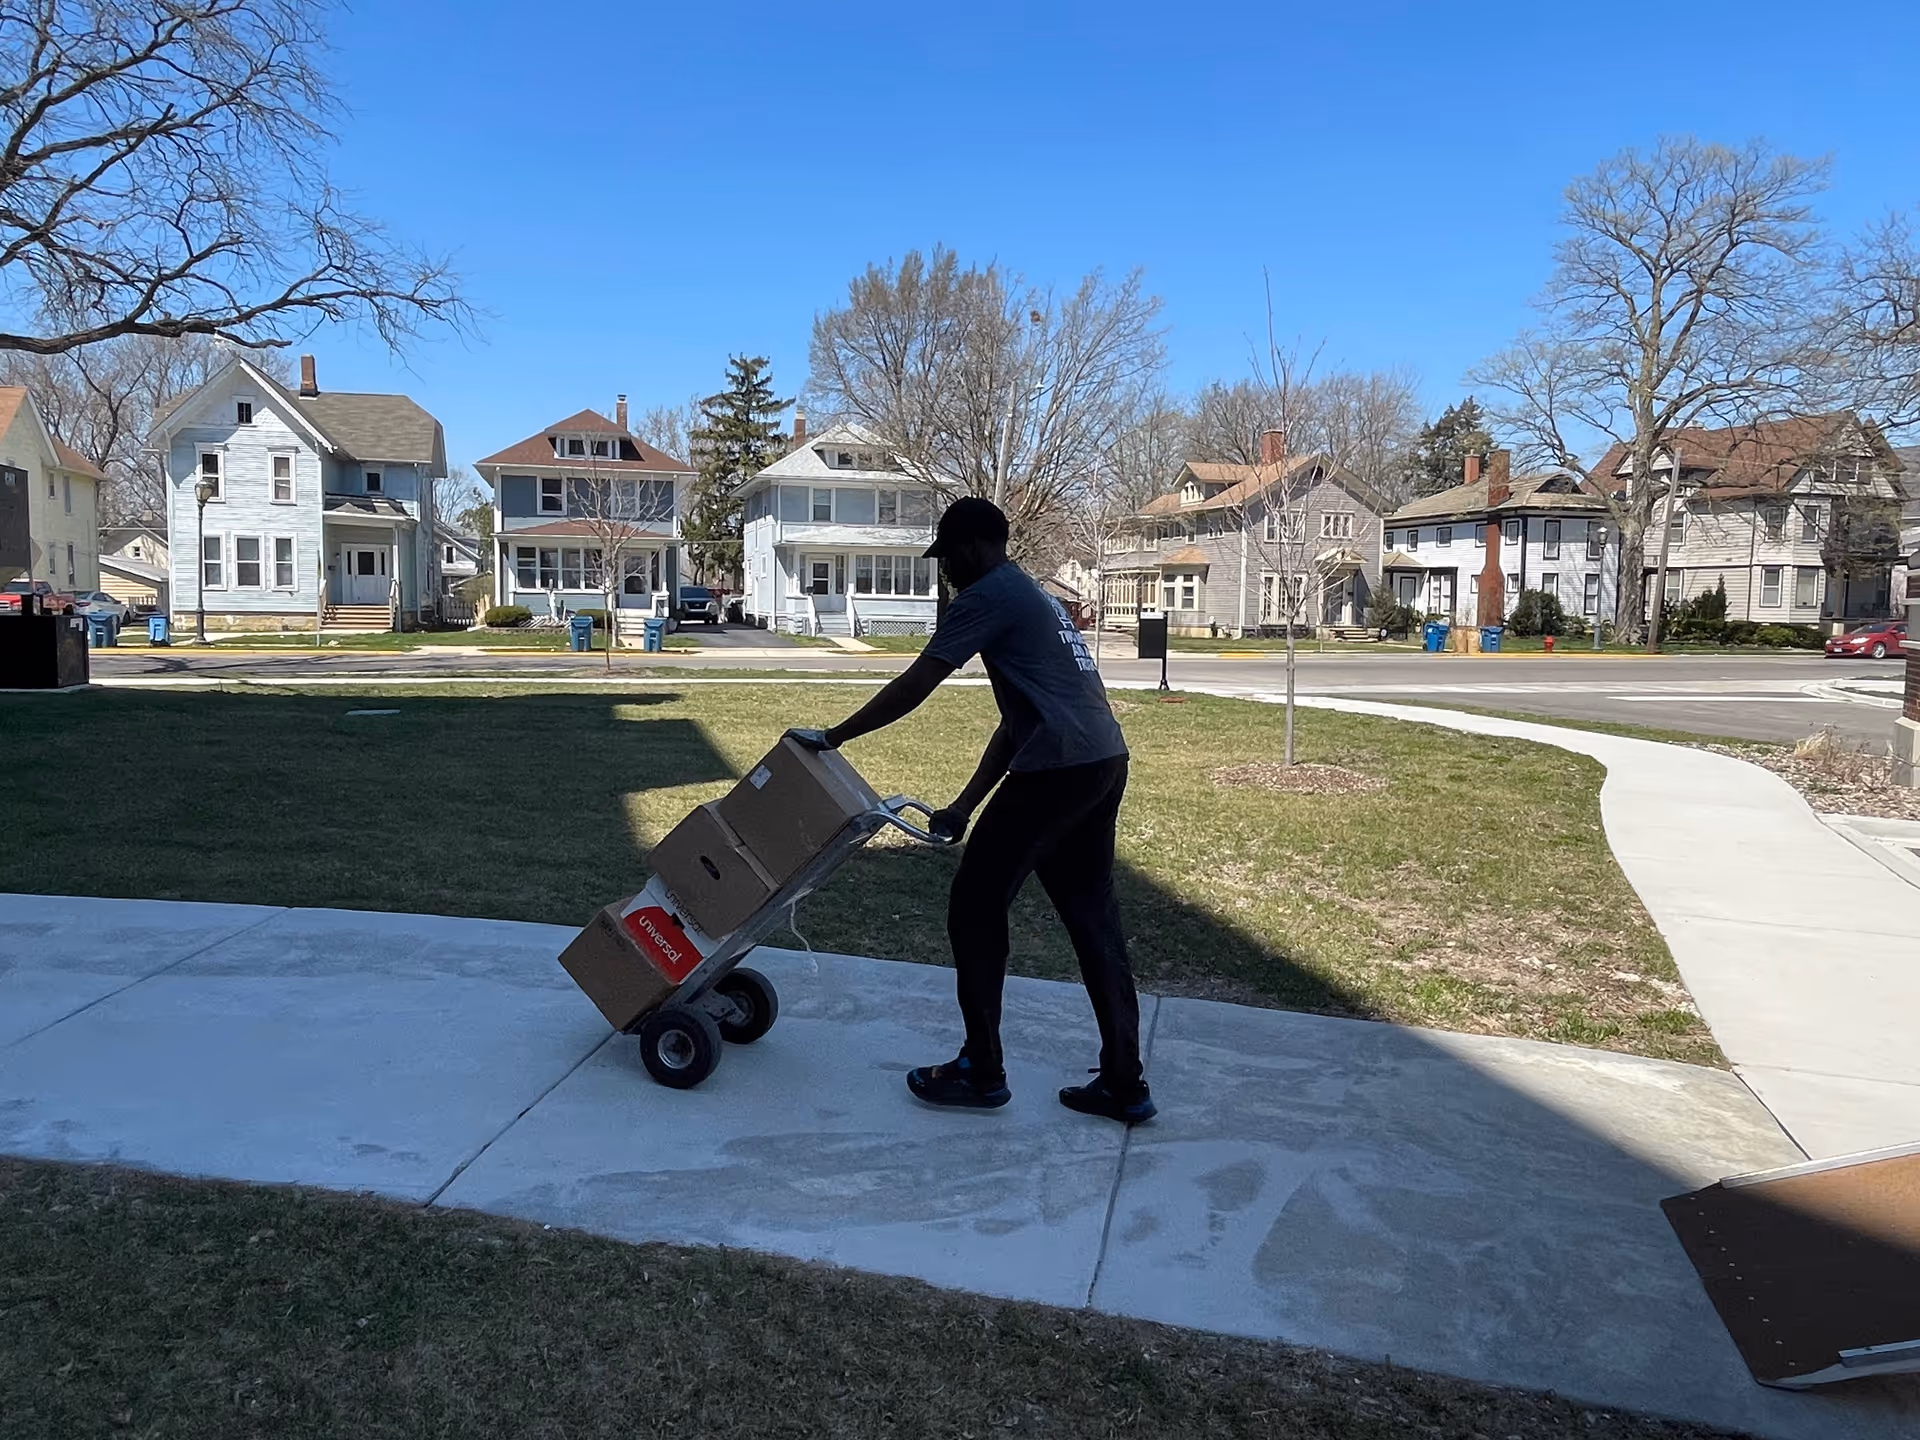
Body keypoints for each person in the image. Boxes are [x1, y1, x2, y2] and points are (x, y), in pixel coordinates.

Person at [787, 497, 1154, 1124]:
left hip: (1058, 771)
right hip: (1101, 762)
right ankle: (1125, 1082)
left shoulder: (986, 595)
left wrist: (836, 735)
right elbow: (1019, 724)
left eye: (949, 555)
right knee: (1094, 919)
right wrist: (964, 804)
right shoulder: (1031, 595)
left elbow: (916, 683)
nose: (946, 569)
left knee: (975, 906)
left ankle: (981, 1070)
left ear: (977, 546)